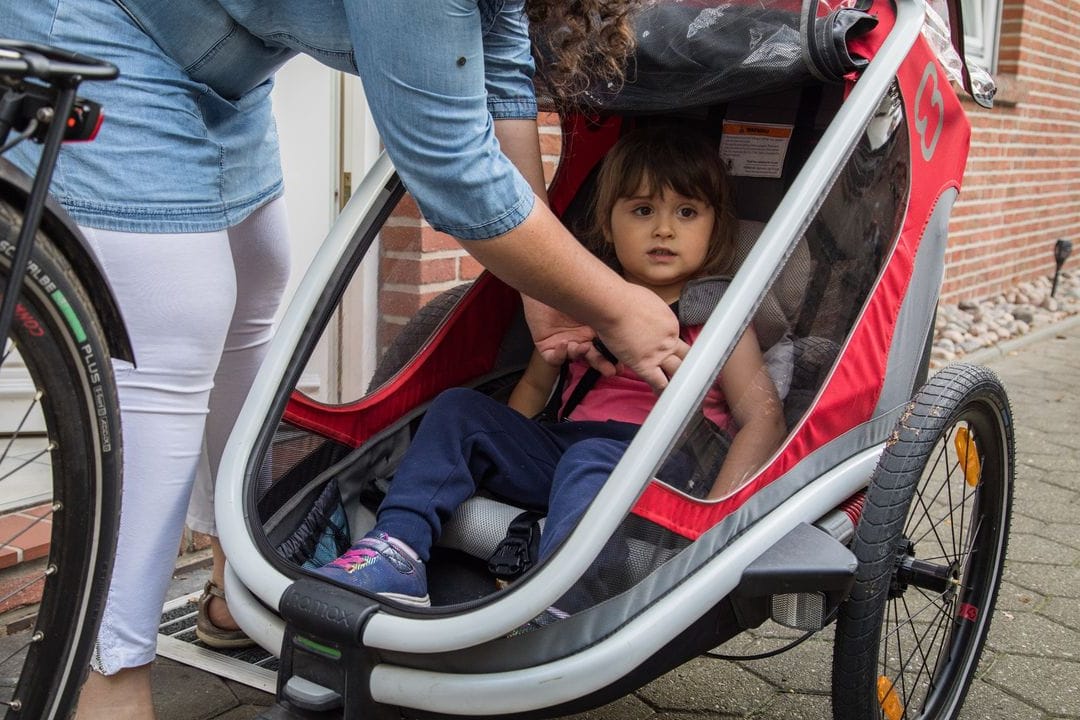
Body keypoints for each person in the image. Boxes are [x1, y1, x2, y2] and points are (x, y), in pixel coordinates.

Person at [1, 2, 688, 718]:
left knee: (257, 277)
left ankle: (236, 571)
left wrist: (538, 287)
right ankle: (110, 677)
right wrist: (613, 302)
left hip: (222, 60)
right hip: (107, 25)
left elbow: (505, 84)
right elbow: (452, 166)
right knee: (175, 321)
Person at [315, 125, 788, 606]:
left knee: (590, 459)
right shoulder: (582, 304)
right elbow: (534, 393)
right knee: (459, 409)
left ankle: (561, 597)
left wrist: (713, 521)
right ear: (608, 224)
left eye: (686, 212)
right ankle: (397, 548)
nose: (664, 229)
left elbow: (763, 417)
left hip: (664, 464)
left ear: (715, 226)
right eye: (643, 210)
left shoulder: (718, 316)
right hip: (564, 452)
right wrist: (496, 452)